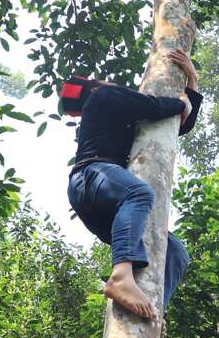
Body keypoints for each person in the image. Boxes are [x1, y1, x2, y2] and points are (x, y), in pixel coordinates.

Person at [62, 50, 202, 320]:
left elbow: (177, 124)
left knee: (176, 250)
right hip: (91, 176)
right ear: (97, 86)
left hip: (104, 197)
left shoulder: (125, 120)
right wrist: (182, 101)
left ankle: (152, 311)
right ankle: (121, 277)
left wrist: (192, 84)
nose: (113, 83)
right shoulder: (102, 95)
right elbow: (155, 107)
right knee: (139, 193)